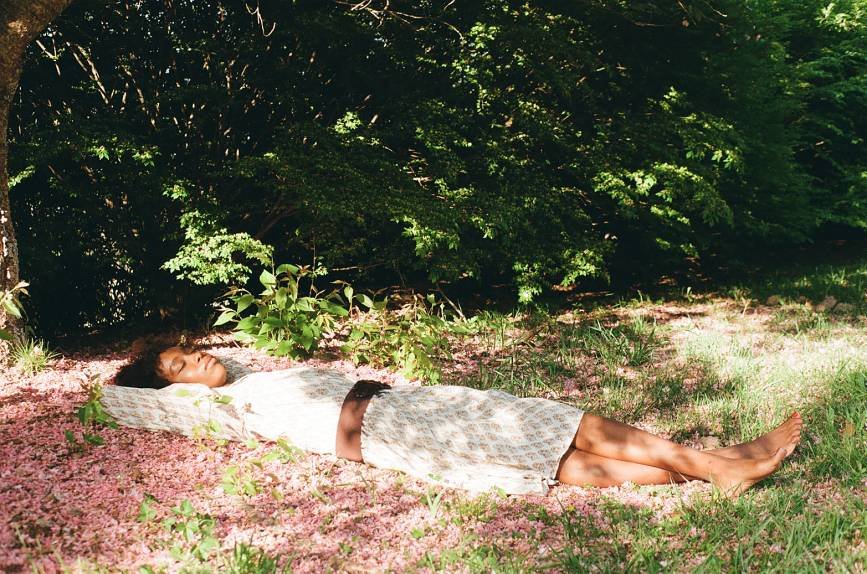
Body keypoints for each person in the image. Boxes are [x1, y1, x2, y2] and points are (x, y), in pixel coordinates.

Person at [110, 344, 802, 498]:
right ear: (165, 390)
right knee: (562, 426)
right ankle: (716, 464)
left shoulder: (249, 375)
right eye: (175, 364)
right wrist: (144, 380)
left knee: (554, 453)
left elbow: (219, 355)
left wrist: (211, 357)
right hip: (389, 429)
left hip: (399, 413)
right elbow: (116, 398)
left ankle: (711, 466)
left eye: (188, 347)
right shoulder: (207, 407)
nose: (194, 358)